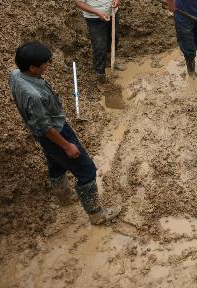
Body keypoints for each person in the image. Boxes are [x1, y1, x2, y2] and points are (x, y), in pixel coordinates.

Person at [9, 42, 120, 224]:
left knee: (55, 162)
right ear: (32, 67)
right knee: (86, 170)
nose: (48, 65)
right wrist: (67, 145)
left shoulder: (15, 75)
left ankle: (64, 197)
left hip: (41, 133)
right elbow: (46, 128)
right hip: (55, 133)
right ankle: (96, 214)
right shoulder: (34, 96)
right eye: (45, 63)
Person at [74, 0, 125, 84]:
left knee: (114, 38)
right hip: (94, 18)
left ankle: (110, 60)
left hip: (112, 11)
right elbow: (79, 2)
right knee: (99, 45)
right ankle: (100, 72)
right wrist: (97, 12)